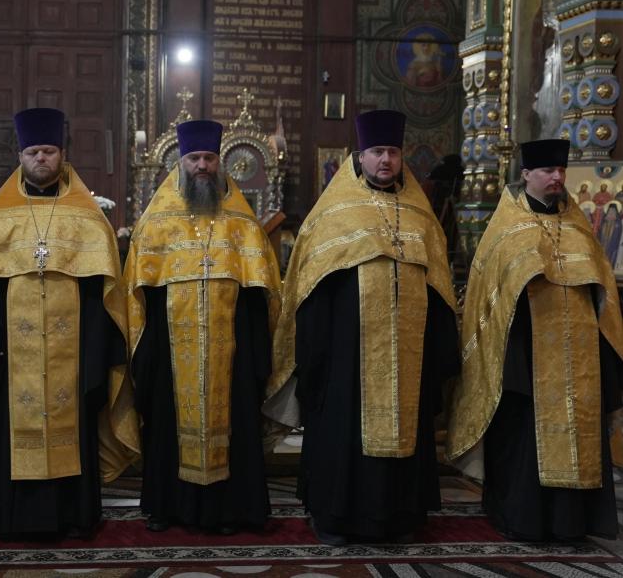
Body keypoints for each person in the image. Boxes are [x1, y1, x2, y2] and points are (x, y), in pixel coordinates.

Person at [267, 109, 460, 545]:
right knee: (343, 437)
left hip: (408, 357)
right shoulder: (332, 215)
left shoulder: (421, 217)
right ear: (360, 156)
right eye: (377, 152)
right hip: (346, 358)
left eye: (392, 152)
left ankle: (399, 519)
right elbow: (308, 289)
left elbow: (440, 289)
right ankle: (336, 518)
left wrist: (439, 350)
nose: (385, 160)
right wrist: (316, 356)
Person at [0, 107, 138, 539]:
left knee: (73, 427)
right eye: (33, 151)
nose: (41, 158)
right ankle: (11, 517)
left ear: (62, 155)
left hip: (72, 359)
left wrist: (93, 357)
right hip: (11, 359)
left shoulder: (88, 219)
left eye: (49, 151)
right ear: (20, 157)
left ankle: (74, 516)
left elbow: (101, 295)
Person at [447, 138, 623, 541]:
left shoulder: (580, 228)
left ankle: (573, 523)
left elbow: (603, 295)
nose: (556, 177)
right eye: (547, 171)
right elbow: (488, 297)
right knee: (524, 440)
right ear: (526, 174)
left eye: (561, 171)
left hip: (579, 360)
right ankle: (523, 519)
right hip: (524, 359)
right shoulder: (506, 228)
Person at [124, 119, 281, 535]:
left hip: (233, 354)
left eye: (209, 158)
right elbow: (140, 295)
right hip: (169, 352)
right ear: (181, 162)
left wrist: (257, 355)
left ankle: (231, 510)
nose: (202, 166)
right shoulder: (157, 222)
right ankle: (166, 506)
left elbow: (259, 295)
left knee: (235, 425)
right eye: (194, 158)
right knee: (166, 424)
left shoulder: (243, 223)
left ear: (220, 162)